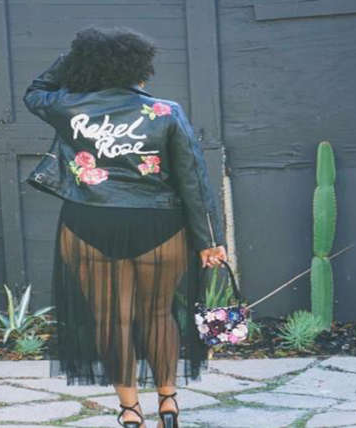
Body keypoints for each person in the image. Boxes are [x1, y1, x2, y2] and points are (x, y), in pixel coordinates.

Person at [22, 25, 228, 428]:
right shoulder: (166, 112)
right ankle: (168, 403)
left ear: (88, 66)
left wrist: (74, 58)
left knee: (110, 318)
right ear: (141, 68)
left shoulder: (68, 107)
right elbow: (193, 179)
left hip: (89, 222)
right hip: (158, 224)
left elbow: (35, 91)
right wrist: (209, 239)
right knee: (159, 314)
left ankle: (130, 410)